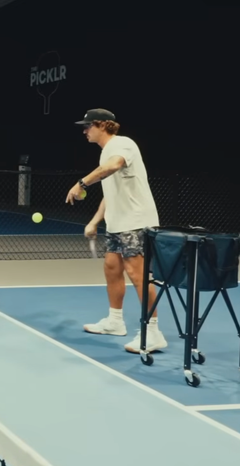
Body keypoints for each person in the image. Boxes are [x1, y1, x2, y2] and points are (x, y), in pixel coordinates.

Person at [65, 108, 166, 354]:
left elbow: (114, 165)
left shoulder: (122, 144)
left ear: (102, 125)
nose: (84, 131)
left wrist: (81, 183)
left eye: (88, 126)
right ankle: (115, 321)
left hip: (135, 222)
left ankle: (153, 332)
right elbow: (110, 193)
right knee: (112, 268)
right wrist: (95, 221)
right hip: (117, 224)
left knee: (137, 274)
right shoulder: (105, 153)